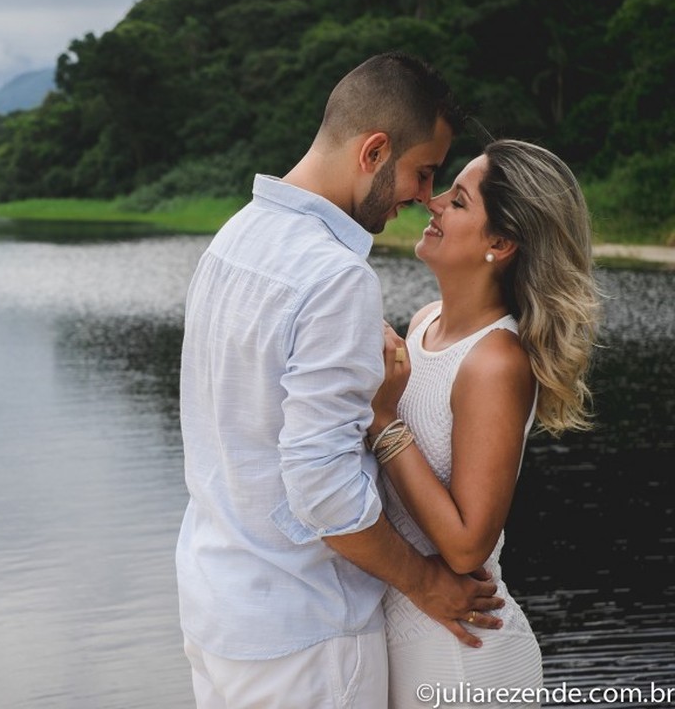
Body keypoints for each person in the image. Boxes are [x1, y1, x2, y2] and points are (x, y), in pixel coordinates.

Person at [176, 51, 505, 709]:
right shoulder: (335, 276)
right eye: (423, 172)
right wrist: (424, 583)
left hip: (219, 609)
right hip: (306, 634)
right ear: (374, 150)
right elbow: (322, 492)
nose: (422, 197)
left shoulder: (233, 239)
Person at [372, 139, 600, 707]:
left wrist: (381, 420)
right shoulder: (423, 322)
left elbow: (469, 546)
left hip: (465, 659)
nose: (434, 202)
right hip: (407, 634)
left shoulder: (496, 361)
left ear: (499, 243)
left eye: (460, 200)